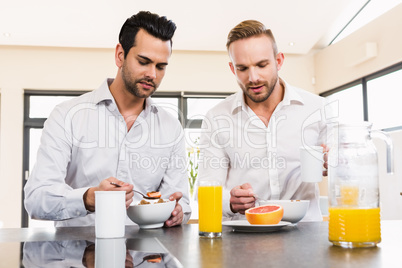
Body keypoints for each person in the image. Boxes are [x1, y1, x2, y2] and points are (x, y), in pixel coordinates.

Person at [24, 11, 191, 227]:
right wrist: (89, 198)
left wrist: (178, 213)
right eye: (144, 61)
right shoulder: (67, 116)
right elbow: (36, 199)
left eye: (161, 66)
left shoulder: (170, 127)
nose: (153, 74)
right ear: (120, 55)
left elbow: (182, 203)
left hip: (145, 257)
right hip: (77, 255)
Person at [198, 20, 327, 221]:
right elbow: (207, 188)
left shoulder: (317, 109)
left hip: (305, 232)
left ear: (279, 61)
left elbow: (345, 167)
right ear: (233, 69)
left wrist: (336, 162)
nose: (253, 77)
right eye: (242, 68)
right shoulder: (217, 117)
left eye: (261, 65)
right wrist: (230, 203)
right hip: (244, 237)